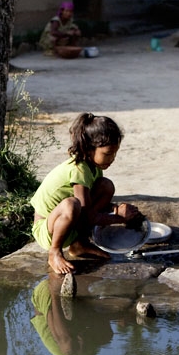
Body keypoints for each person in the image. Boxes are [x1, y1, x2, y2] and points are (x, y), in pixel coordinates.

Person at [30, 113, 140, 274]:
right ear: (88, 149)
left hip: (69, 224)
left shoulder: (93, 167)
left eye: (115, 153)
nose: (112, 159)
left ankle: (78, 244)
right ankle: (54, 252)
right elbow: (88, 215)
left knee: (106, 186)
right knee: (72, 204)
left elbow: (89, 205)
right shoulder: (79, 170)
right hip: (47, 229)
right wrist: (119, 218)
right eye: (108, 154)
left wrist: (116, 208)